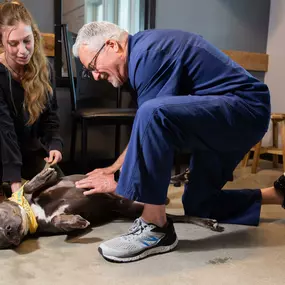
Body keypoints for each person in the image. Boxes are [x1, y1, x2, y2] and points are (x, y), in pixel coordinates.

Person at [73, 21, 285, 263]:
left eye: (93, 66)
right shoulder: (141, 56)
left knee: (152, 113)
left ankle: (155, 227)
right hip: (223, 118)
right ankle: (279, 194)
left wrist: (119, 178)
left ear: (112, 45)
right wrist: (113, 169)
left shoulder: (148, 54)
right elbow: (144, 132)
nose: (96, 75)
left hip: (244, 110)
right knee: (199, 204)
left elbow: (152, 119)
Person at [0, 1, 63, 194]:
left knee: (60, 190)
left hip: (28, 151)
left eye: (27, 40)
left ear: (34, 36)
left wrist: (54, 144)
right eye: (13, 43)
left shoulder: (44, 69)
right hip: (3, 151)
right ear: (2, 42)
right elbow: (4, 128)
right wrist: (15, 182)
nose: (22, 50)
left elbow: (50, 116)